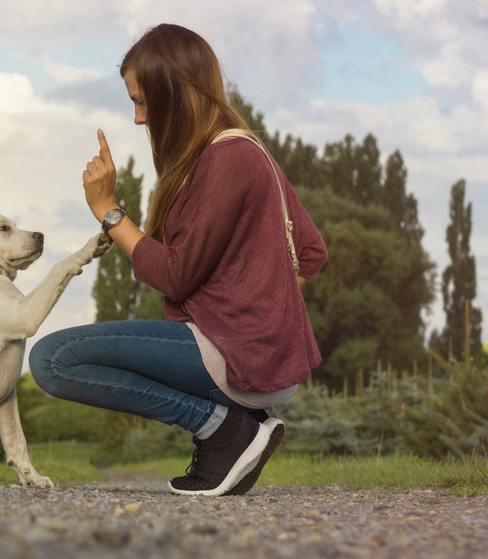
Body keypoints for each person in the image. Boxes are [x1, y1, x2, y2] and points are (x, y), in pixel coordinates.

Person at [29, 23, 328, 497]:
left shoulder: (228, 159)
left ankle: (222, 428)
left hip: (235, 357)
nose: (138, 119)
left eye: (143, 102)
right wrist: (260, 302)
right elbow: (310, 253)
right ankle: (235, 425)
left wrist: (107, 210)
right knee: (57, 358)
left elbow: (173, 275)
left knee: (52, 360)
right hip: (256, 359)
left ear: (176, 95)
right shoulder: (248, 151)